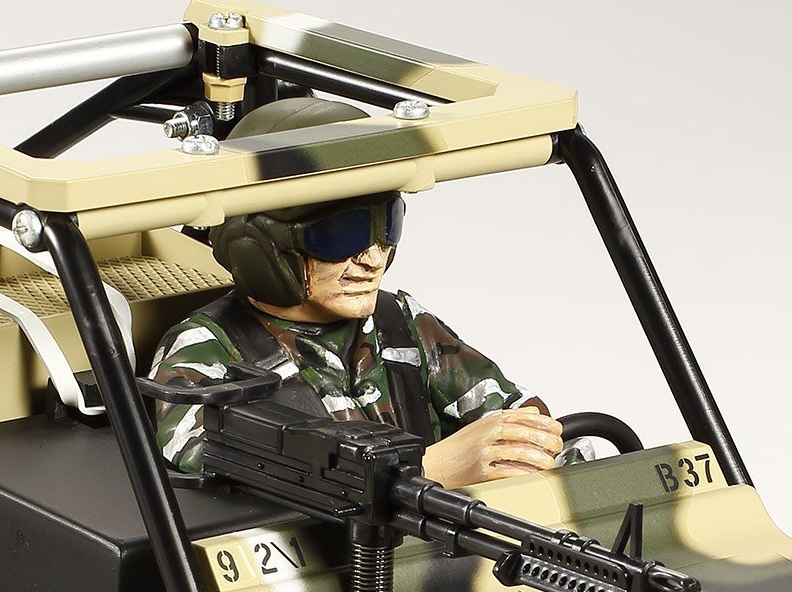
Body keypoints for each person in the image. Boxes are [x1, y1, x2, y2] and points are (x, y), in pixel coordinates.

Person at [151, 98, 562, 489]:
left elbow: (509, 408)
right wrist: (432, 469)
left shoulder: (399, 322)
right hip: (316, 539)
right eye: (341, 234)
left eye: (387, 227)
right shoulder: (207, 348)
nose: (372, 259)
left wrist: (534, 444)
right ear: (260, 245)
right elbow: (222, 463)